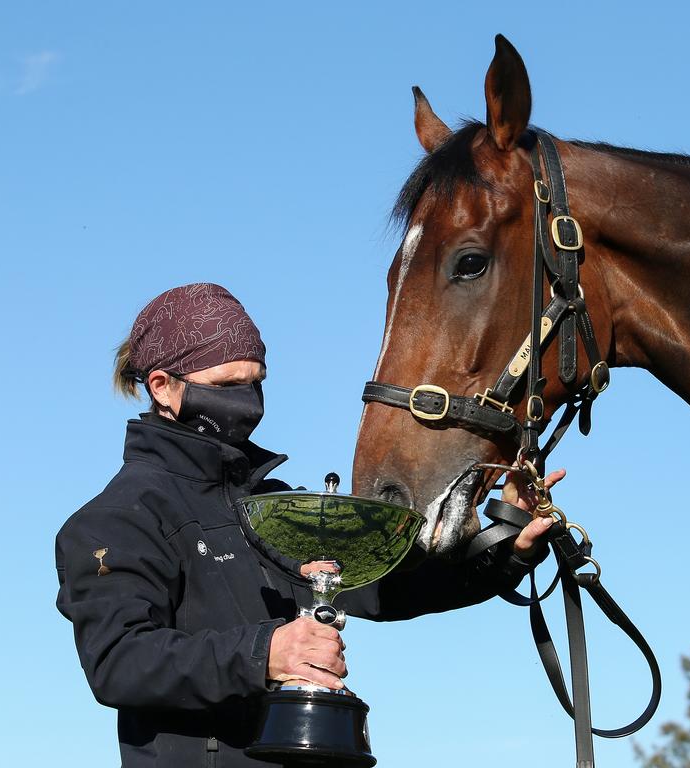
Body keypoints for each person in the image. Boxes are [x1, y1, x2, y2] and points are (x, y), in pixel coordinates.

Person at [55, 283, 561, 767]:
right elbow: (118, 662)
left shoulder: (276, 506)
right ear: (162, 387)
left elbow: (383, 588)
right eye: (228, 386)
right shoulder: (116, 520)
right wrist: (265, 653)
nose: (247, 400)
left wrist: (507, 545)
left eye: (256, 383)